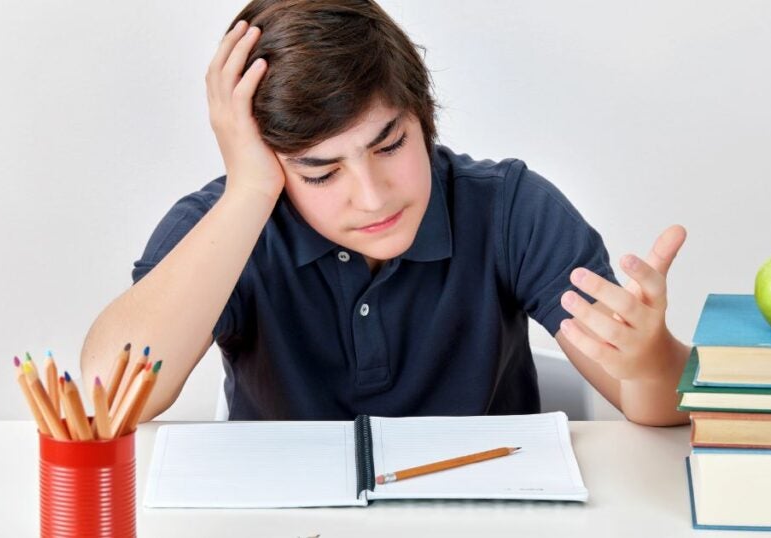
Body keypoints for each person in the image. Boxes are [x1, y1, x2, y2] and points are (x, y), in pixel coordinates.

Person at [80, 0, 691, 426]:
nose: (372, 197)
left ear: (423, 115)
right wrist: (248, 193)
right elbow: (109, 394)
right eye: (321, 171)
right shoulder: (224, 224)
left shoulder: (510, 209)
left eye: (390, 145)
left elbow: (657, 405)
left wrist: (650, 358)